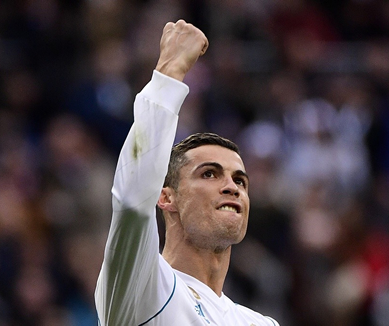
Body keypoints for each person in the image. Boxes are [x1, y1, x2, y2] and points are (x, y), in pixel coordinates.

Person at [94, 19, 280, 326]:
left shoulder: (260, 323)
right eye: (209, 174)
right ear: (166, 197)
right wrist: (170, 71)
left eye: (240, 180)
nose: (232, 187)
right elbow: (131, 200)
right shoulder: (144, 287)